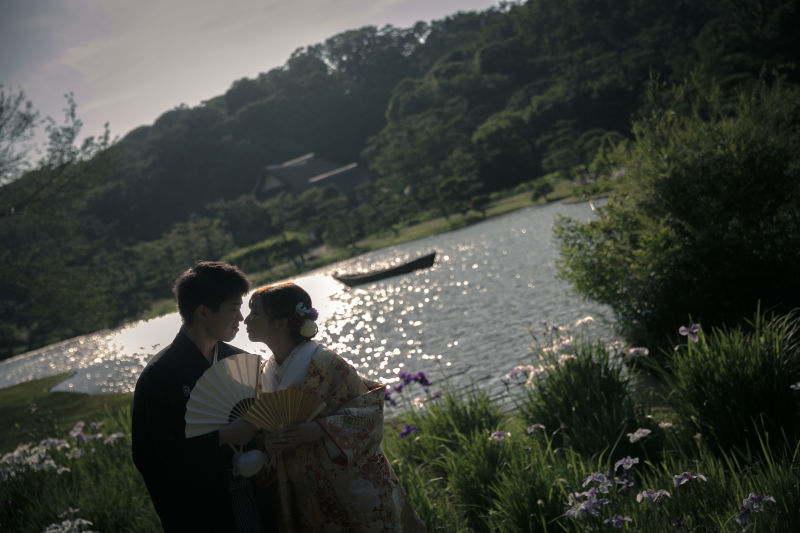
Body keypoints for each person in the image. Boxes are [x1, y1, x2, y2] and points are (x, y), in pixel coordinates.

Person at [244, 282, 427, 532]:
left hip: (344, 484)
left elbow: (368, 412)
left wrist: (320, 428)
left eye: (255, 313)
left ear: (281, 323)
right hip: (301, 491)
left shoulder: (328, 364)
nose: (246, 320)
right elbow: (262, 428)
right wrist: (268, 442)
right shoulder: (265, 372)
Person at [132, 261, 260, 533]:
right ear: (203, 312)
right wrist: (222, 437)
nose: (241, 318)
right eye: (233, 309)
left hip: (252, 494)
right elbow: (154, 456)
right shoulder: (160, 375)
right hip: (200, 511)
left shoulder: (239, 360)